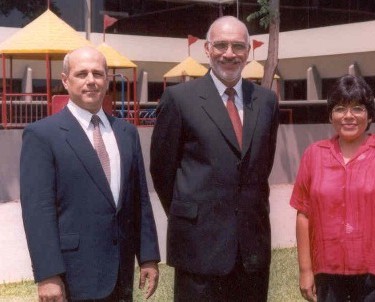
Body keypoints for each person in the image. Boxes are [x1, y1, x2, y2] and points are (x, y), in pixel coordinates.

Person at [150, 15, 279, 302]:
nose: (229, 54)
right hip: (198, 247)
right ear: (207, 49)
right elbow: (162, 171)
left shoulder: (266, 102)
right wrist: (194, 215)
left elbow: (260, 167)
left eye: (238, 46)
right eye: (221, 45)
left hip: (251, 248)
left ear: (249, 51)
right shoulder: (179, 100)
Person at [20, 46, 160, 301]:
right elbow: (38, 211)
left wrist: (149, 257)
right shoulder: (42, 135)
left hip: (121, 271)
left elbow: (139, 201)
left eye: (97, 73)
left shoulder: (126, 133)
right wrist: (48, 274)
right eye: (81, 73)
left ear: (107, 80)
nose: (90, 81)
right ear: (65, 80)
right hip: (73, 274)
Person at [290, 74, 375, 302]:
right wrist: (305, 270)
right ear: (331, 115)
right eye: (340, 108)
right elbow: (304, 215)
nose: (348, 116)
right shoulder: (314, 155)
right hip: (329, 274)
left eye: (358, 109)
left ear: (369, 114)